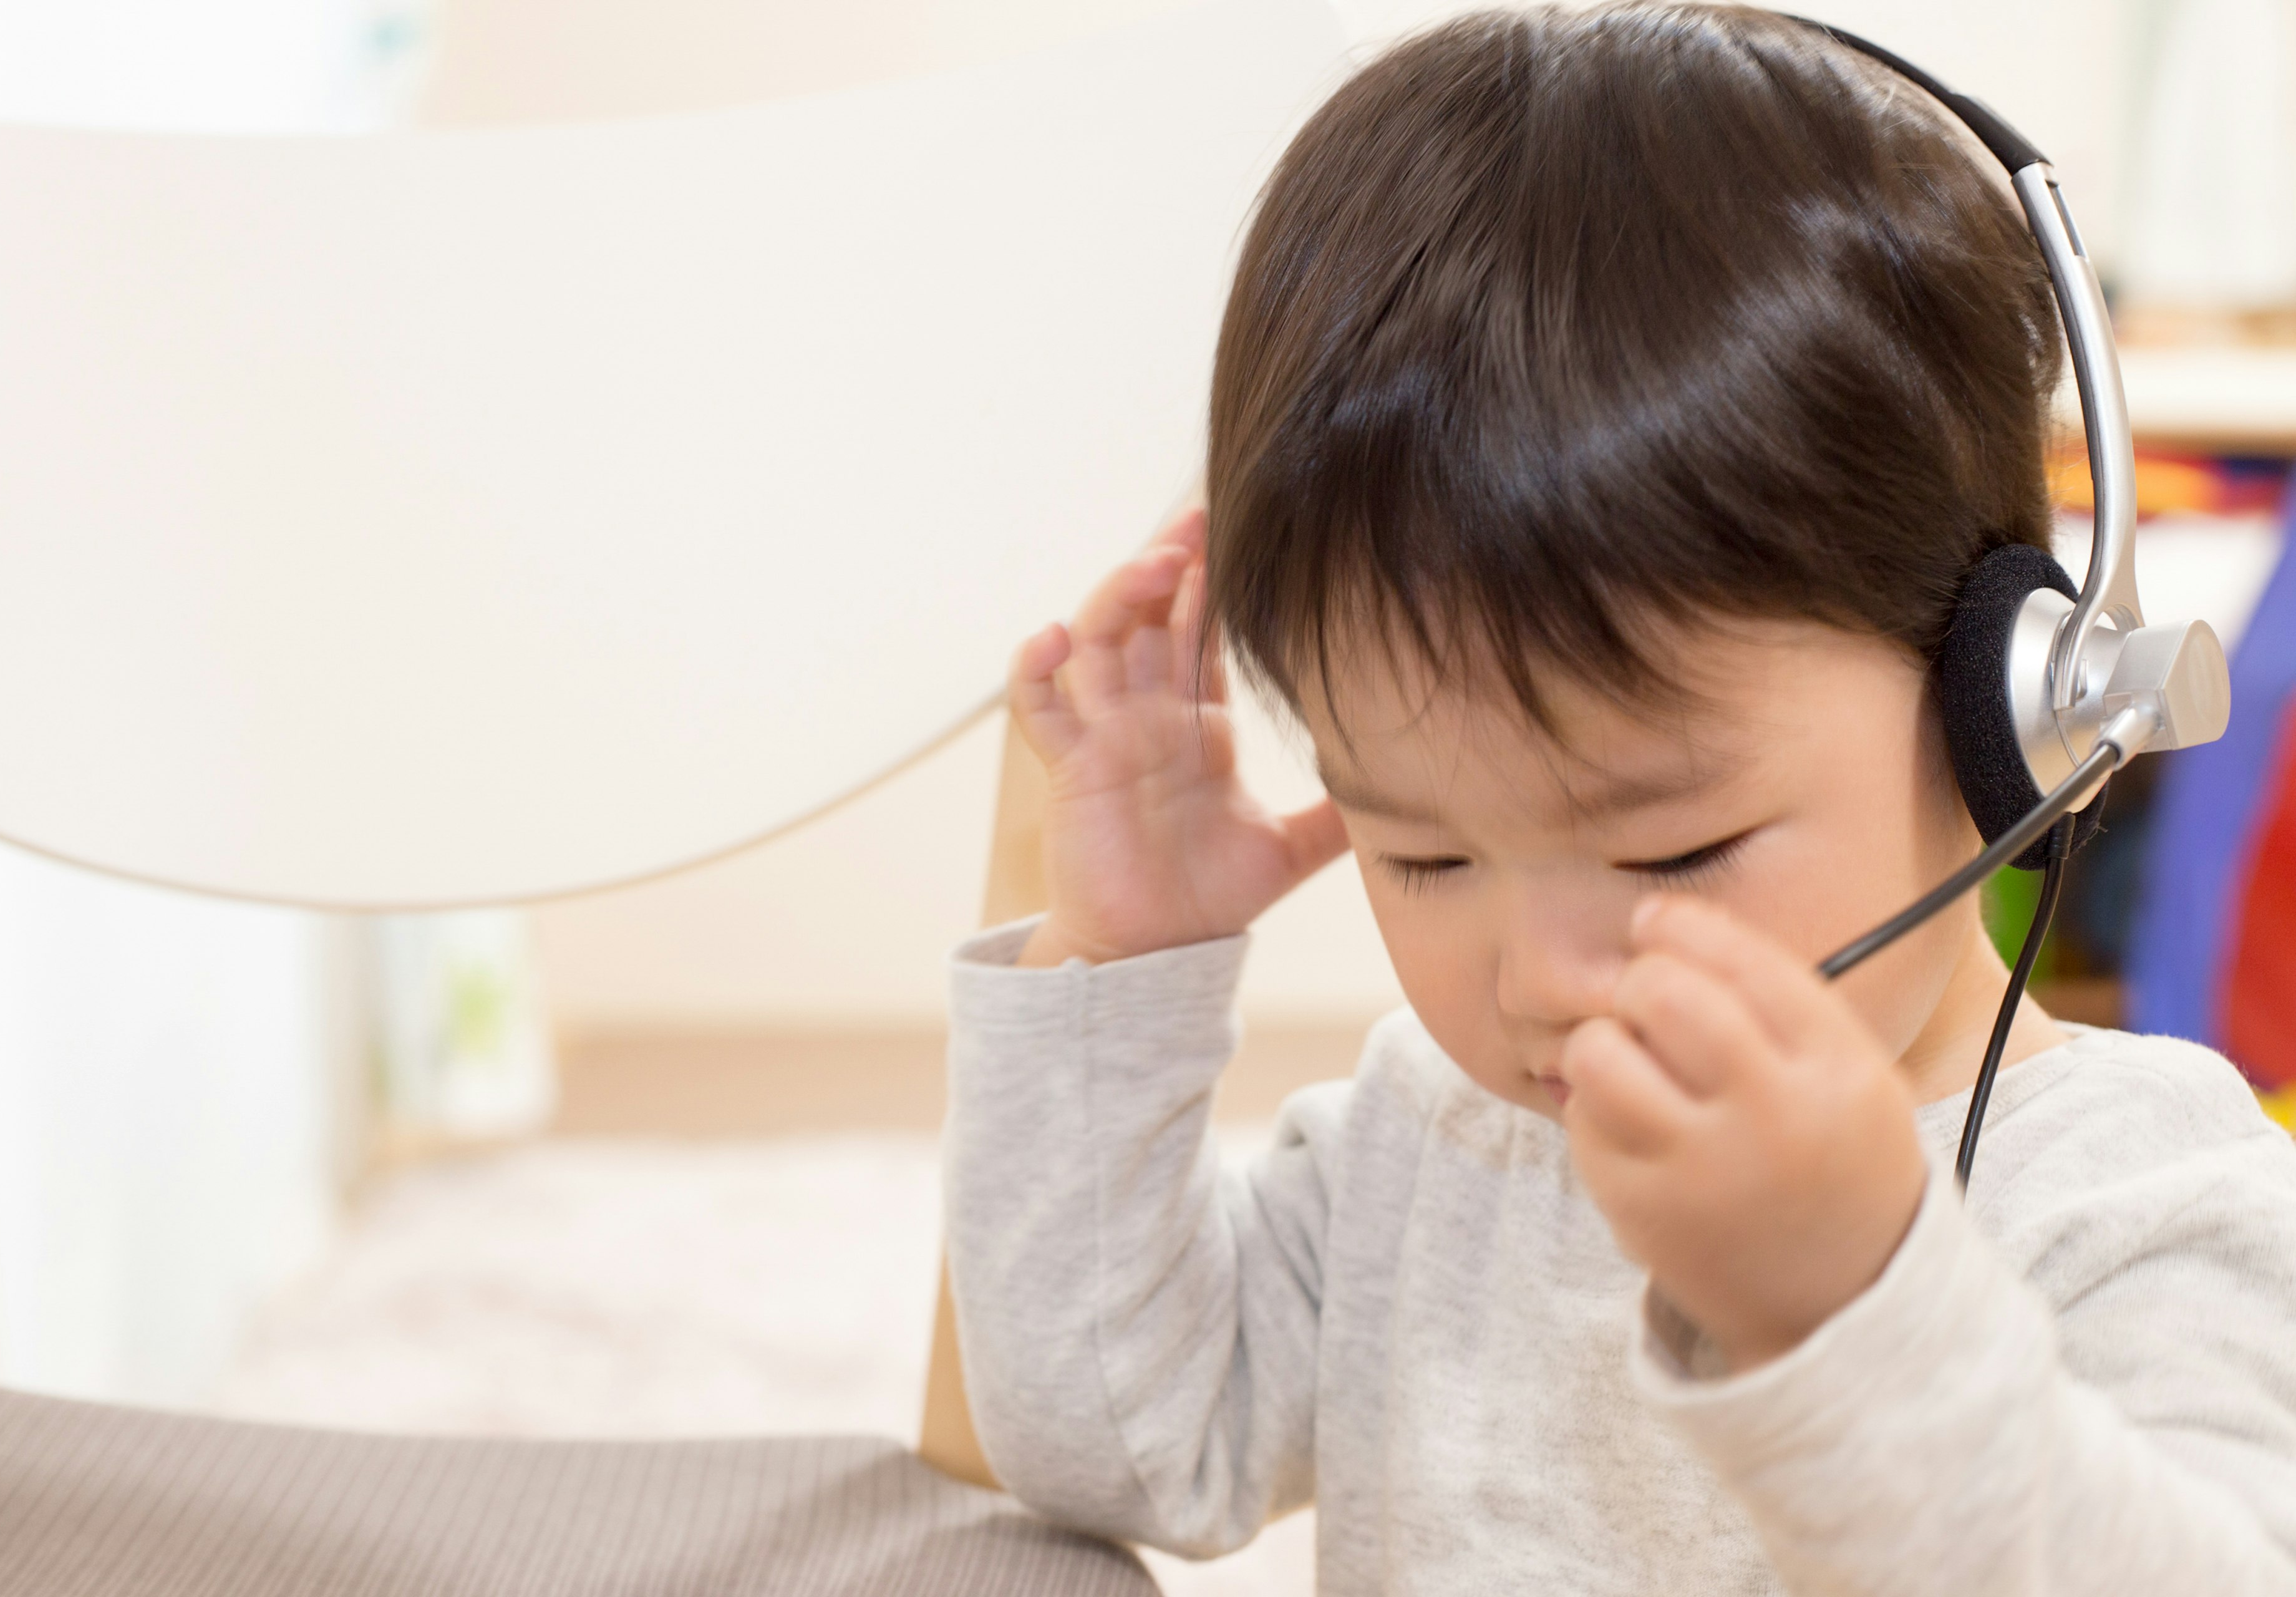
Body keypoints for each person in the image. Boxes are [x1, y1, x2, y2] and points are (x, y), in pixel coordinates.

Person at [939, 6, 2296, 1593]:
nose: (1540, 982)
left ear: (2014, 708)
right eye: (1424, 852)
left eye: (1673, 846)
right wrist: (1119, 962)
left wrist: (1857, 1305)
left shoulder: (2140, 1199)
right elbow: (1119, 1438)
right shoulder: (1440, 1140)